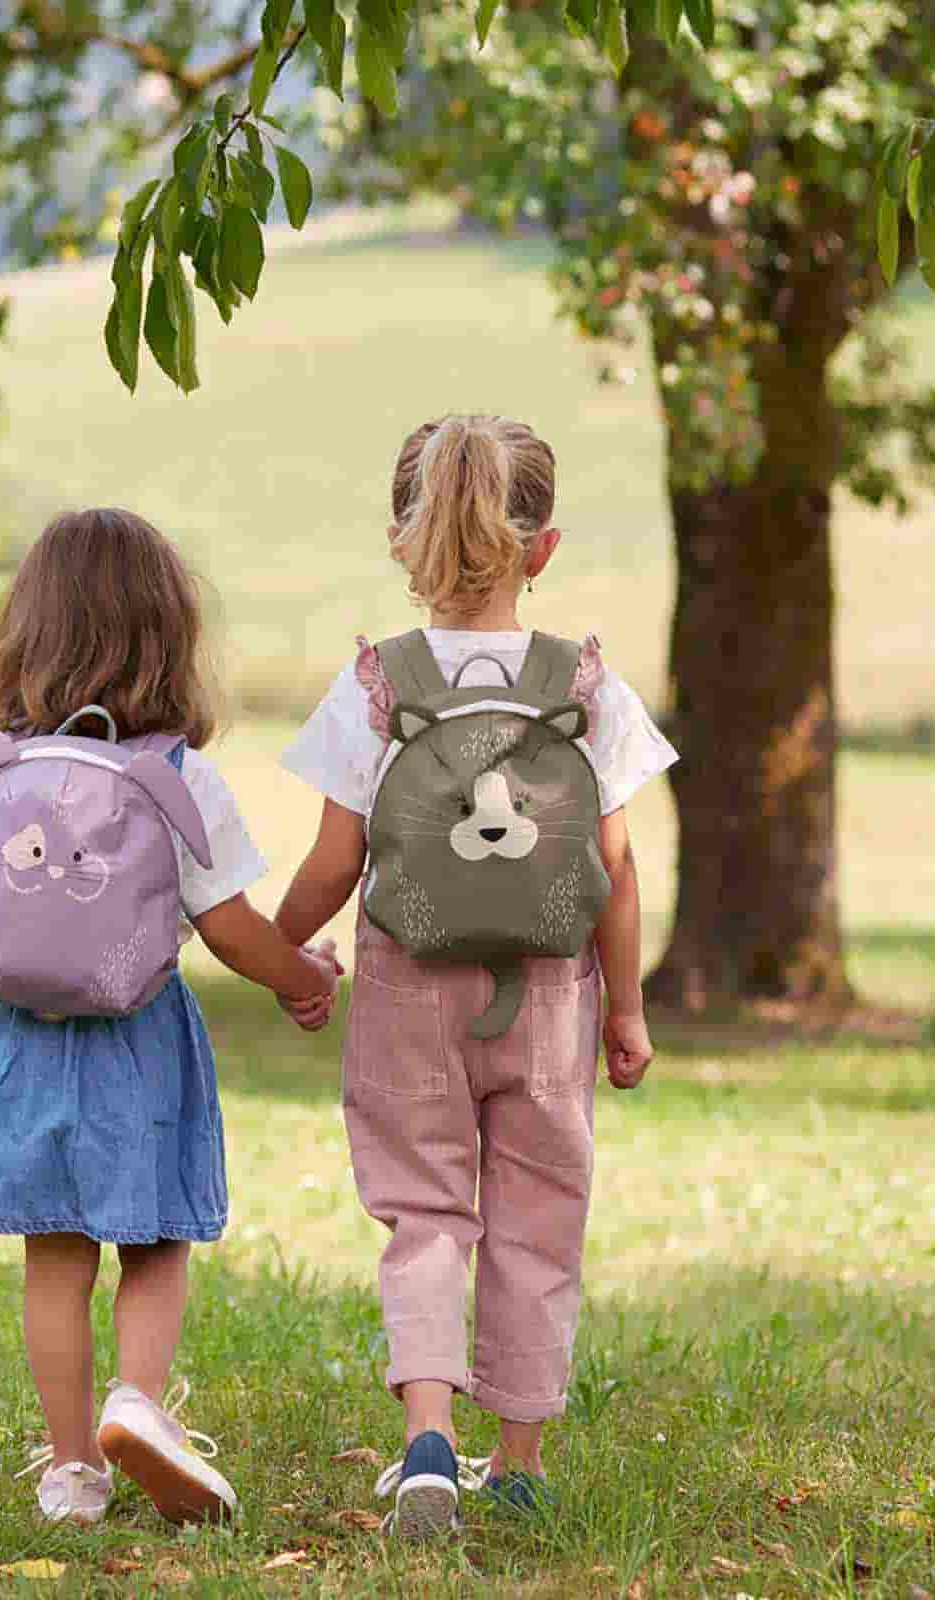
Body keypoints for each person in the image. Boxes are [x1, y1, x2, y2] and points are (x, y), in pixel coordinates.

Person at [272, 415, 677, 1535]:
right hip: (550, 994)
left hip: (409, 986)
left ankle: (426, 1444)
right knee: (539, 1212)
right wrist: (627, 1008)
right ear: (541, 550)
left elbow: (332, 861)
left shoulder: (374, 687)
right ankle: (523, 1458)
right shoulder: (587, 689)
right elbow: (616, 865)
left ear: (401, 540)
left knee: (423, 1210)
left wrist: (282, 949)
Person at [0, 508, 341, 1527]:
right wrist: (301, 975)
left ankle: (71, 1469)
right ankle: (138, 1403)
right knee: (154, 1239)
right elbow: (232, 925)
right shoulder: (175, 777)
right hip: (136, 1043)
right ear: (170, 636)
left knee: (53, 1252)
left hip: (13, 1041)